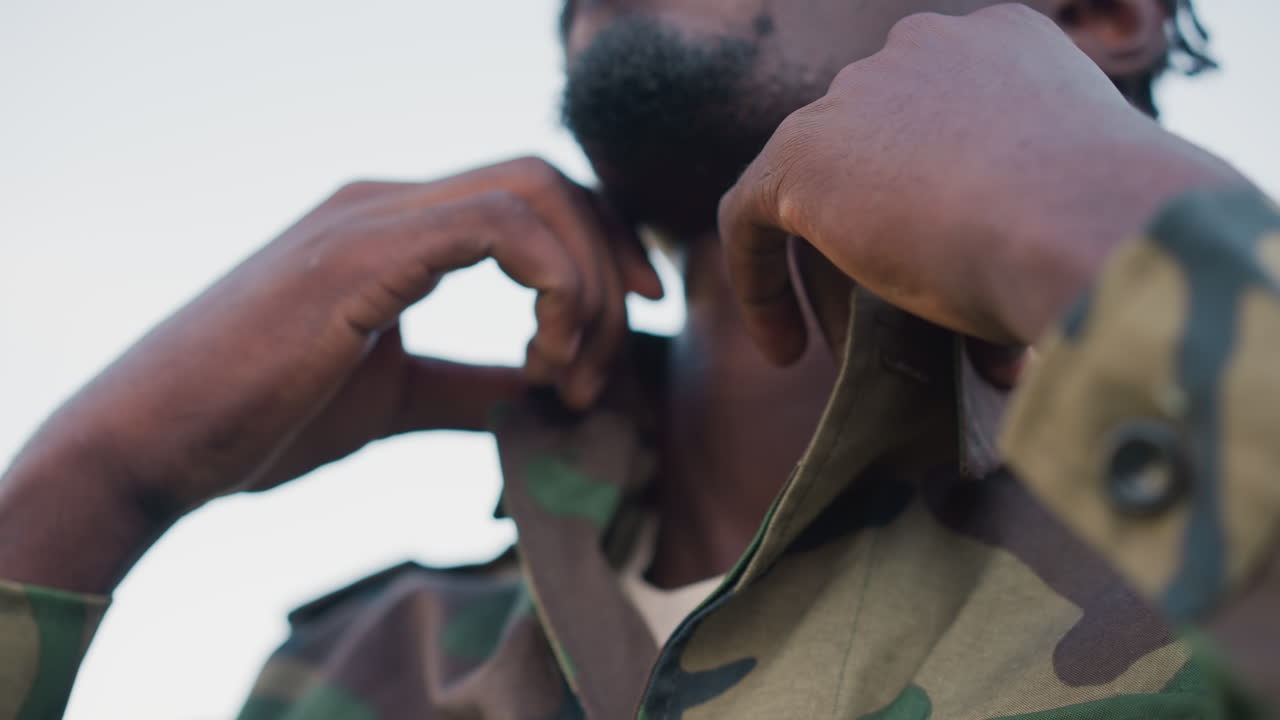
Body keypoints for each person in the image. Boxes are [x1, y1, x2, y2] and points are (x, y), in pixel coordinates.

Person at [0, 1, 1274, 719]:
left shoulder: (1211, 575)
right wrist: (85, 489)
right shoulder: (366, 669)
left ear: (1097, 14)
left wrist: (1105, 213)